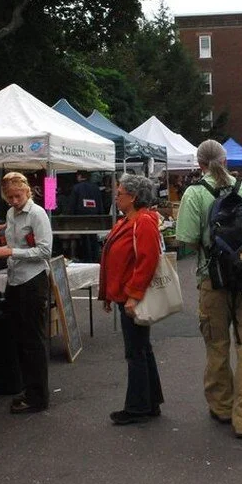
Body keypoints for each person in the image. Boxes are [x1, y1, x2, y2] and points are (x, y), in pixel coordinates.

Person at [174, 140, 242, 439]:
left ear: (199, 163)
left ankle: (223, 407)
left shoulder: (194, 193)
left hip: (212, 279)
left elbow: (187, 240)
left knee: (217, 347)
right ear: (226, 161)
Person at [99, 174, 166, 425]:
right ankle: (149, 402)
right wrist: (109, 293)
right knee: (141, 349)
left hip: (131, 295)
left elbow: (146, 262)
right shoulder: (130, 220)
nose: (116, 197)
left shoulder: (142, 221)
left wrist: (133, 295)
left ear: (134, 197)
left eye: (120, 193)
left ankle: (138, 406)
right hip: (125, 294)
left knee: (136, 351)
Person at [0, 172, 53, 414]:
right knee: (21, 340)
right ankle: (29, 389)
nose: (15, 200)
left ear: (27, 191)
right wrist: (1, 249)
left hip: (33, 282)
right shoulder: (11, 213)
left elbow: (45, 251)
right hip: (15, 281)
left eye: (18, 195)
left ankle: (38, 397)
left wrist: (11, 252)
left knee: (34, 341)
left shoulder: (37, 213)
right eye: (10, 197)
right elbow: (16, 243)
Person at [70, 170, 104, 261]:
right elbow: (100, 204)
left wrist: (70, 219)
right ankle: (95, 259)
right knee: (93, 239)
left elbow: (72, 205)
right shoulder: (96, 188)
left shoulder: (76, 188)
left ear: (79, 176)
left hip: (81, 220)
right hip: (95, 219)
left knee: (84, 240)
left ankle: (87, 259)